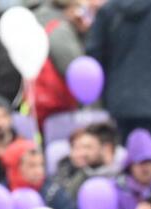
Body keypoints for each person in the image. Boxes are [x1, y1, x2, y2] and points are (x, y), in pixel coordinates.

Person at [86, 0, 151, 139]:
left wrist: (107, 88)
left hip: (117, 98)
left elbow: (94, 52)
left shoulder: (108, 10)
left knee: (123, 152)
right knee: (146, 156)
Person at [28, 0, 92, 128]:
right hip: (60, 107)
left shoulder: (37, 19)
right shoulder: (60, 30)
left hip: (43, 105)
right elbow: (77, 72)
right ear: (71, 9)